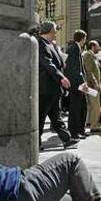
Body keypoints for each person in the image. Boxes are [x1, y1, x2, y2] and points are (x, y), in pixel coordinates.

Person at [36, 21, 79, 149]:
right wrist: (61, 78)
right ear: (49, 31)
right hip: (46, 88)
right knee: (40, 118)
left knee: (56, 116)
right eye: (55, 31)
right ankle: (35, 143)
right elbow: (47, 64)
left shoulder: (48, 44)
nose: (56, 34)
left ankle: (67, 139)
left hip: (53, 89)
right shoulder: (40, 44)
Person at [66, 30, 89, 139]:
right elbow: (75, 69)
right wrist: (82, 82)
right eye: (85, 38)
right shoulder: (74, 48)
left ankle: (80, 130)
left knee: (82, 108)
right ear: (82, 38)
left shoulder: (76, 48)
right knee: (75, 109)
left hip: (78, 84)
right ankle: (74, 132)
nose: (85, 41)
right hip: (76, 85)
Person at [83, 40, 101, 133]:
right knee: (95, 106)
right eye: (97, 46)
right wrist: (96, 84)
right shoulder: (88, 55)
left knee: (92, 106)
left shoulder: (92, 56)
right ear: (92, 46)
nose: (99, 48)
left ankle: (90, 123)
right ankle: (94, 125)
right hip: (91, 86)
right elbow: (89, 71)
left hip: (93, 85)